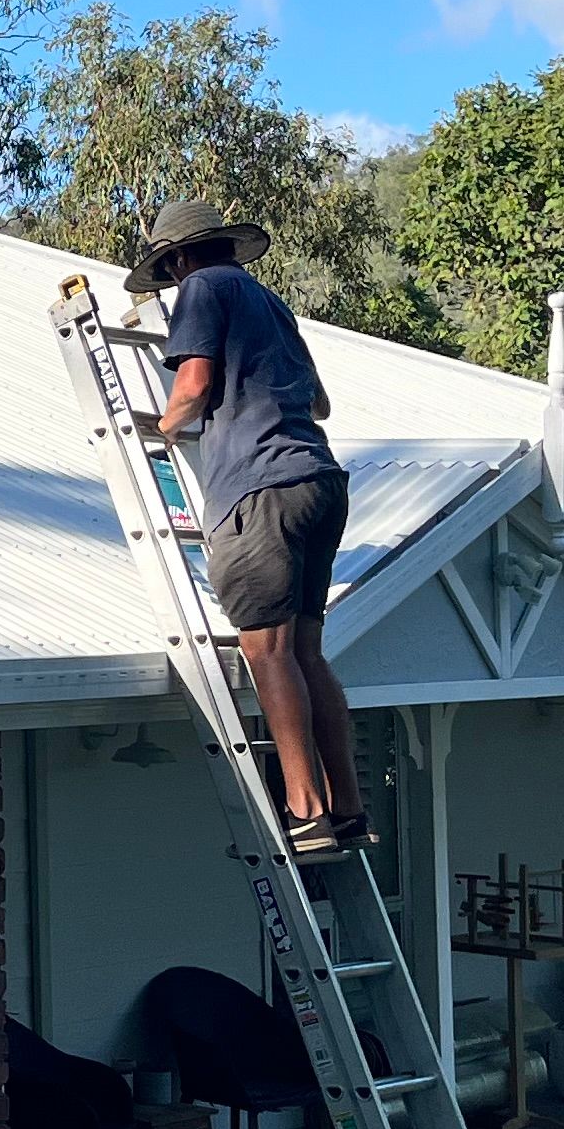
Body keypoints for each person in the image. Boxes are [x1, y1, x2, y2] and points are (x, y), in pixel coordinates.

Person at [129, 198, 364, 848]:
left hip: (260, 490)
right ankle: (346, 805)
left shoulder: (201, 289)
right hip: (319, 481)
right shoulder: (270, 304)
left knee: (267, 652)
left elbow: (195, 382)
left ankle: (305, 810)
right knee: (306, 651)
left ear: (177, 258)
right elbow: (318, 402)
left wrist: (165, 426)